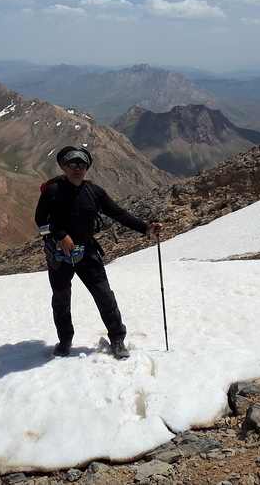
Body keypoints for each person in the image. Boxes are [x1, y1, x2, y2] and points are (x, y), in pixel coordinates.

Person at [34, 146, 163, 359]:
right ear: (64, 167)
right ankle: (65, 339)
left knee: (104, 295)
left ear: (87, 167)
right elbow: (40, 221)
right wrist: (60, 234)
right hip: (59, 253)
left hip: (87, 252)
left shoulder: (94, 191)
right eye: (72, 164)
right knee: (61, 299)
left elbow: (117, 213)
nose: (77, 168)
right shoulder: (53, 192)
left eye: (82, 164)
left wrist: (144, 227)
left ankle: (117, 338)